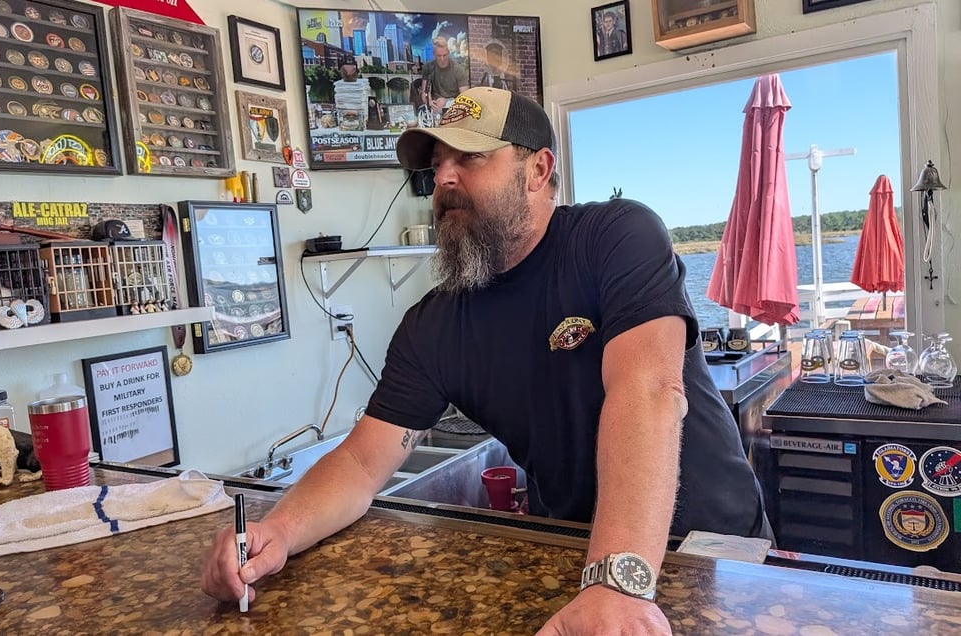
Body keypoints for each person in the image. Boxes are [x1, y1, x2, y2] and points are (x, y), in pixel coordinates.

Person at [201, 87, 772, 635]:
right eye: (437, 164)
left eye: (469, 157)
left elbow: (648, 392)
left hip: (710, 552)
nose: (444, 179)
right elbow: (358, 466)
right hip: (575, 561)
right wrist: (274, 532)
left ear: (538, 170)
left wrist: (617, 582)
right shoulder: (435, 325)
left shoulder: (615, 237)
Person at [420, 36, 469, 113]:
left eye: (445, 55)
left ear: (448, 53)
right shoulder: (428, 68)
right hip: (434, 105)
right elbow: (424, 93)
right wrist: (429, 102)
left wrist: (447, 101)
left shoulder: (459, 69)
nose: (442, 59)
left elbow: (465, 98)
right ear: (434, 54)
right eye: (439, 56)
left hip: (454, 106)